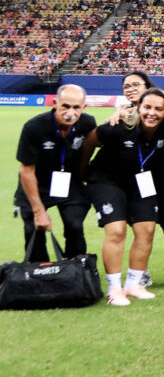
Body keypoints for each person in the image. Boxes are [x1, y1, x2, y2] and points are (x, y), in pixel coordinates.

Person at [80, 88, 164, 306]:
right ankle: (114, 289)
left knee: (147, 229)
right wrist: (83, 171)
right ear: (138, 108)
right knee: (116, 230)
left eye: (158, 109)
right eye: (147, 107)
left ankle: (134, 284)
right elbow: (89, 141)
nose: (152, 113)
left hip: (139, 185)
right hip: (107, 181)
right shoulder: (118, 127)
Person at [15, 85, 95, 262]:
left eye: (76, 107)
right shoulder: (34, 127)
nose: (70, 112)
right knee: (33, 228)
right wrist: (38, 211)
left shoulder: (87, 124)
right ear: (54, 103)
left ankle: (75, 267)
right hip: (37, 182)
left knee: (74, 225)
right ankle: (39, 267)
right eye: (65, 106)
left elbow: (102, 138)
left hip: (68, 182)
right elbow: (27, 171)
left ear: (84, 107)